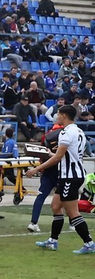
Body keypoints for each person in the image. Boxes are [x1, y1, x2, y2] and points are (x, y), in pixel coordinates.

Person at [29, 103, 92, 253]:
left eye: (58, 114)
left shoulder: (65, 132)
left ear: (64, 115)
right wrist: (48, 153)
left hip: (70, 176)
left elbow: (58, 158)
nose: (56, 116)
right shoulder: (79, 131)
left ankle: (89, 243)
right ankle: (53, 240)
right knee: (56, 206)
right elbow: (65, 155)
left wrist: (36, 169)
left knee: (73, 212)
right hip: (72, 175)